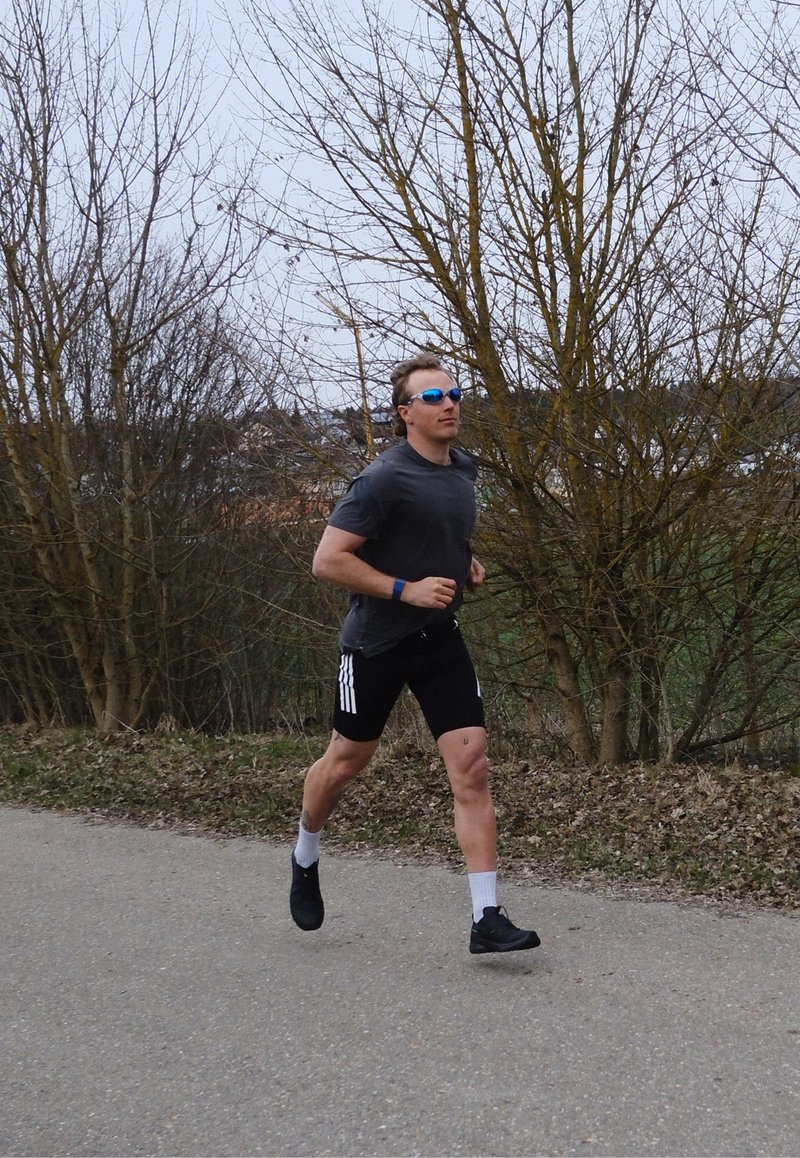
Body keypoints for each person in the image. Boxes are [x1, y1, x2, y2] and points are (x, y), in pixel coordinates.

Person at [290, 353, 540, 955]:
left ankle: (486, 918)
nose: (451, 403)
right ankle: (305, 851)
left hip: (439, 638)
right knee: (347, 761)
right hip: (375, 645)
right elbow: (328, 561)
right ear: (406, 414)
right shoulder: (381, 480)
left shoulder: (464, 469)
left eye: (455, 394)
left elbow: (440, 530)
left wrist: (462, 563)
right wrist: (406, 589)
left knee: (473, 768)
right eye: (434, 398)